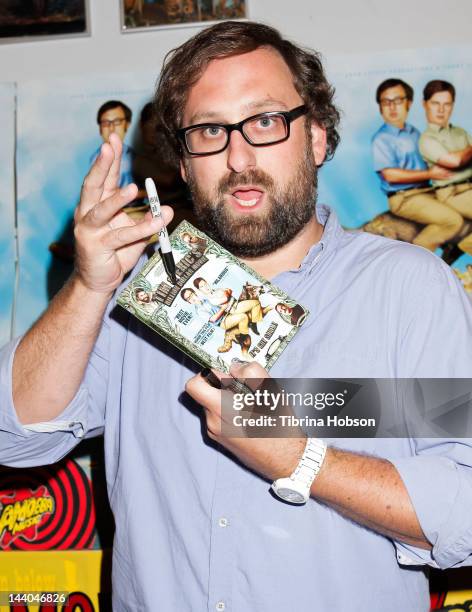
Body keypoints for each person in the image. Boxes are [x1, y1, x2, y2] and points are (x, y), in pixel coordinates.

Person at [1, 21, 472, 612]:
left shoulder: (408, 289)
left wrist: (303, 460)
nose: (238, 155)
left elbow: (466, 513)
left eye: (266, 121)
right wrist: (90, 286)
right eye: (208, 130)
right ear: (183, 161)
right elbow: (15, 438)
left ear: (318, 138)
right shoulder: (132, 298)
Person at [371, 78, 465, 254]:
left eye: (398, 101)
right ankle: (419, 254)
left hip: (426, 192)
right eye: (386, 102)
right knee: (453, 220)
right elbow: (390, 175)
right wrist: (430, 174)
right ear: (380, 107)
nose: (392, 107)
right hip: (404, 197)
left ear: (409, 103)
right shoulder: (381, 139)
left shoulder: (414, 132)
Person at [419, 80, 472, 260]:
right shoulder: (426, 139)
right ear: (425, 104)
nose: (441, 110)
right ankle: (464, 244)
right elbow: (455, 161)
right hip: (451, 192)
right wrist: (465, 154)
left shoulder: (460, 132)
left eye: (446, 104)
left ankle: (461, 244)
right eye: (435, 103)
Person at [181, 286, 251, 354]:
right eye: (188, 298)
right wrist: (223, 308)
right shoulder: (199, 310)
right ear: (189, 302)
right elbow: (213, 319)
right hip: (223, 321)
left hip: (227, 314)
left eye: (191, 295)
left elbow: (219, 303)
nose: (192, 298)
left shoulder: (206, 300)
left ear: (195, 293)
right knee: (243, 316)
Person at [89, 100, 135, 188]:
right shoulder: (97, 159)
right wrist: (145, 193)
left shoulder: (133, 153)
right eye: (106, 123)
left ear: (127, 124)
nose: (111, 128)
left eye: (117, 121)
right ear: (100, 129)